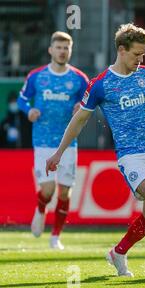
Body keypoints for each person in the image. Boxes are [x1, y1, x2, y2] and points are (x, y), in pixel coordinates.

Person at [46, 23, 145, 277]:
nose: (141, 59)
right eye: (136, 54)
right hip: (130, 156)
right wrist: (59, 153)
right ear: (121, 50)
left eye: (143, 54)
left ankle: (118, 253)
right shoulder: (100, 84)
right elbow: (78, 121)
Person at [17, 31, 89, 249]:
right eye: (58, 47)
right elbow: (21, 99)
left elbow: (88, 103)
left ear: (70, 50)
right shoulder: (37, 76)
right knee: (48, 190)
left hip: (68, 143)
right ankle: (40, 209)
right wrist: (29, 111)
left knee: (65, 191)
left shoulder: (79, 78)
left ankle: (55, 236)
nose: (62, 51)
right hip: (43, 141)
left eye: (66, 48)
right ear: (51, 50)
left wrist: (81, 107)